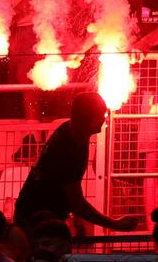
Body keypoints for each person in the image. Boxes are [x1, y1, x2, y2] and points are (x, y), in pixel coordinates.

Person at [12, 91, 144, 233]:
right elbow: (76, 202)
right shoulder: (69, 147)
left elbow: (69, 189)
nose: (104, 119)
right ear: (91, 119)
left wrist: (76, 217)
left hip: (37, 215)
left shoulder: (72, 133)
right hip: (36, 221)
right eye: (102, 115)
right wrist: (116, 224)